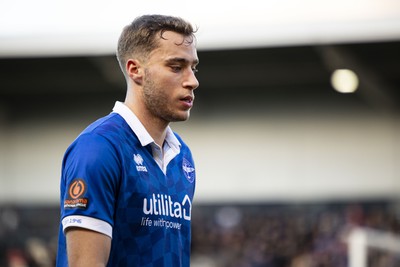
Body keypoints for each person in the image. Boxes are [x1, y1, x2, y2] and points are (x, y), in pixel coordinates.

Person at [56, 14, 199, 267]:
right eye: (176, 67)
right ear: (135, 70)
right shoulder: (99, 148)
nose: (192, 81)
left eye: (193, 67)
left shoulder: (182, 157)